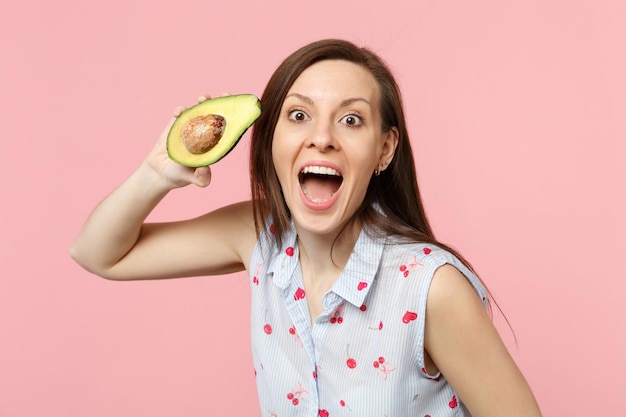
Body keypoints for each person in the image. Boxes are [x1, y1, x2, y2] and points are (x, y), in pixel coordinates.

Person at [71, 39, 542, 416]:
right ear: (271, 137)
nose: (321, 137)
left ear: (384, 149)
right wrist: (158, 172)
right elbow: (98, 254)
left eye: (351, 120)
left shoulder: (430, 289)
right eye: (298, 115)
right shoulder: (259, 237)